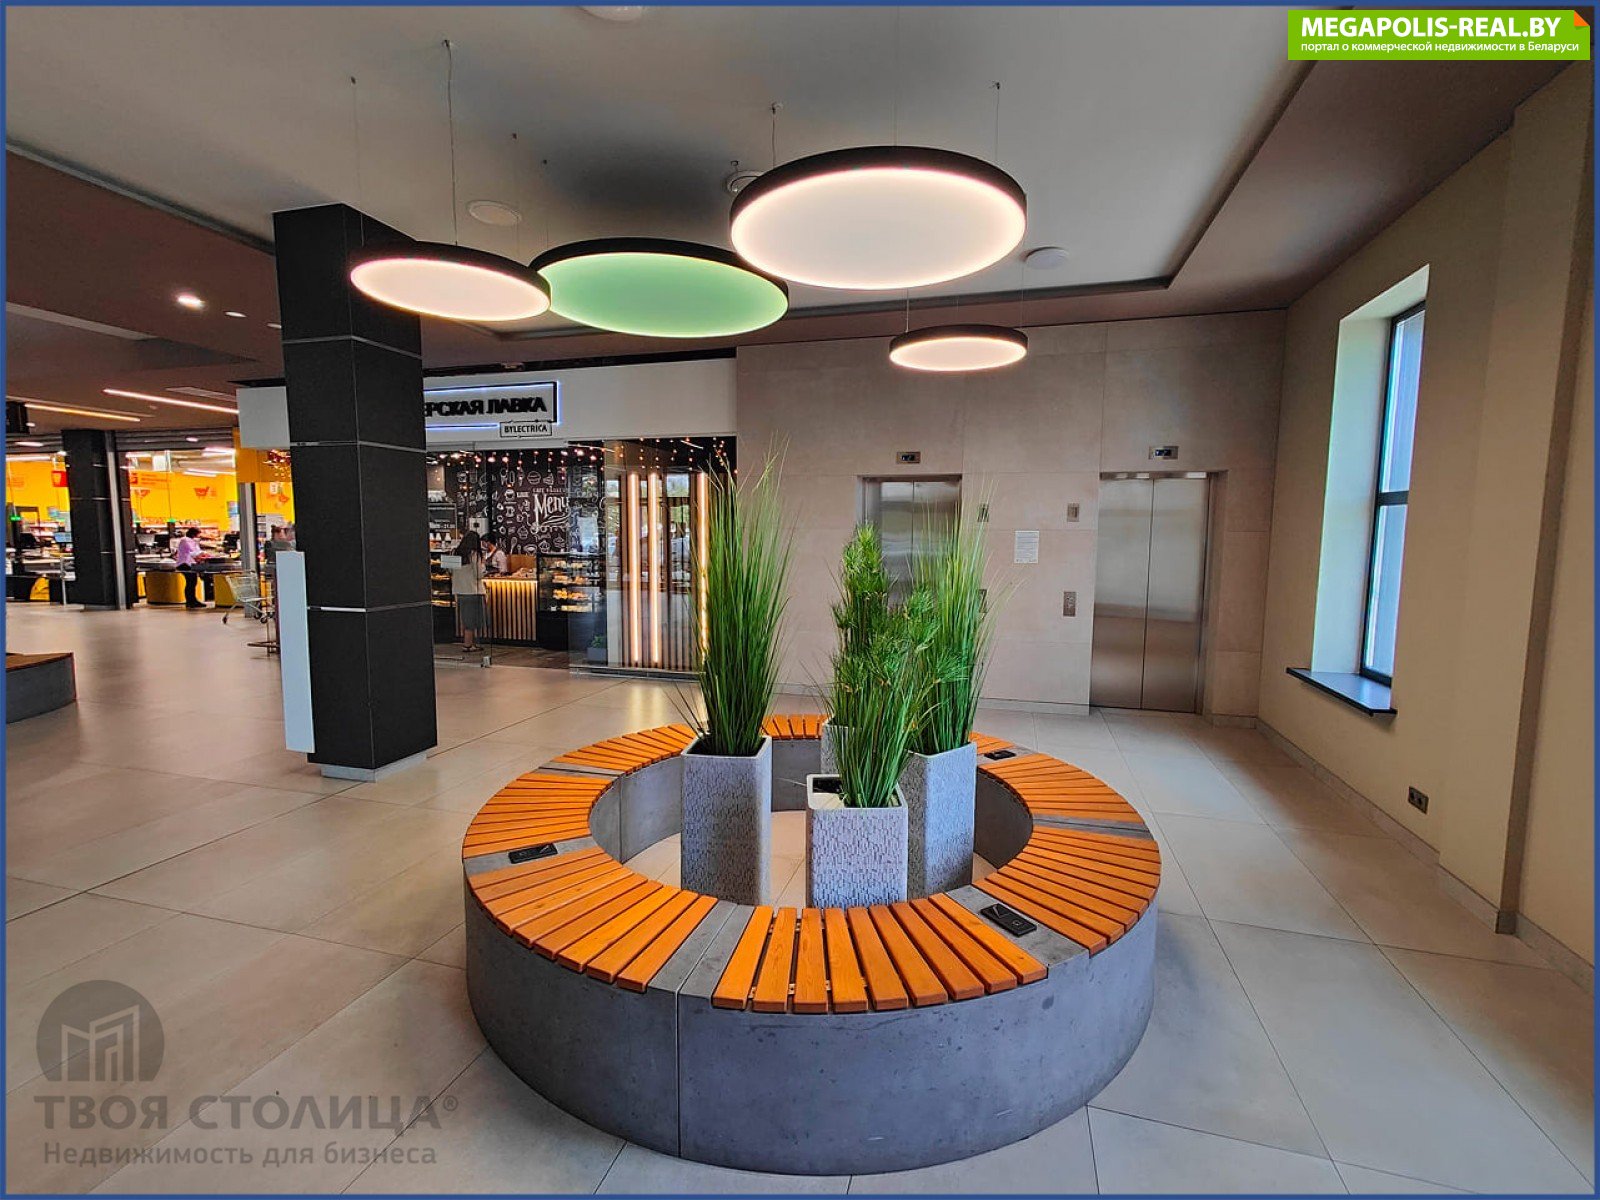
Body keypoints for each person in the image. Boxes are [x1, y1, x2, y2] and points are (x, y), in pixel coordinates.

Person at [451, 530, 487, 653]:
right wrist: (484, 567)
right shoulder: (474, 555)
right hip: (472, 590)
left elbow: (449, 571)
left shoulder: (454, 552)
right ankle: (468, 645)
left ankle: (470, 643)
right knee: (472, 620)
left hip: (459, 591)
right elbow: (478, 575)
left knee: (466, 619)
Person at [174, 525, 204, 609]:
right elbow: (193, 551)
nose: (199, 536)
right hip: (184, 564)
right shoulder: (185, 540)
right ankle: (190, 601)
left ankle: (193, 600)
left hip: (188, 563)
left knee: (192, 582)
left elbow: (196, 551)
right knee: (191, 582)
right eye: (198, 534)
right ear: (194, 534)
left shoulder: (191, 540)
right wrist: (202, 554)